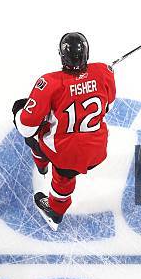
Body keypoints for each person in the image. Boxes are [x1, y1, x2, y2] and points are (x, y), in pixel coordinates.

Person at [12, 32, 116, 231]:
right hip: (97, 151)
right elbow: (107, 105)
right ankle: (45, 166)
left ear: (61, 55)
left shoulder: (49, 83)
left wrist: (19, 112)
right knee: (63, 159)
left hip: (66, 155)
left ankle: (55, 210)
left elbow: (26, 127)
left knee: (35, 134)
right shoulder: (104, 72)